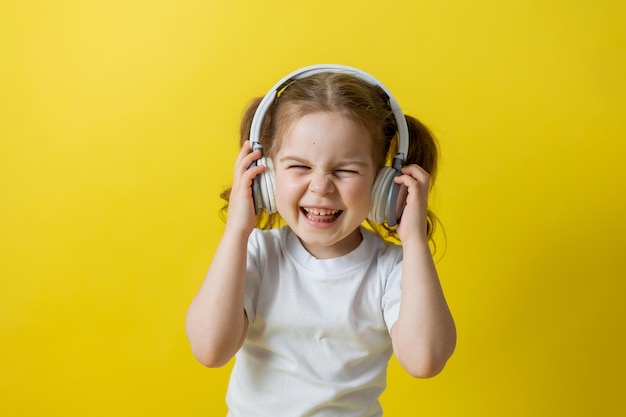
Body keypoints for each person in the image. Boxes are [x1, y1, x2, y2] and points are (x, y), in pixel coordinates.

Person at [186, 64, 456, 417]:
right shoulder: (259, 254)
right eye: (299, 166)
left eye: (345, 170)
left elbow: (426, 360)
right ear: (264, 176)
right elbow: (210, 349)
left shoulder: (392, 268)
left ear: (382, 184)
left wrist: (414, 241)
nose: (321, 186)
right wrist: (237, 231)